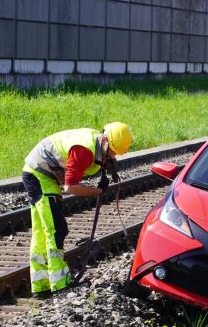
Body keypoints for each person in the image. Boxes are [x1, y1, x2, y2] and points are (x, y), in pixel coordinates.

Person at [21, 122, 133, 297]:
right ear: (104, 139)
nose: (111, 156)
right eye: (110, 151)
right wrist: (97, 191)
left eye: (114, 153)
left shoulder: (97, 145)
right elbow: (70, 187)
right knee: (56, 230)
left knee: (42, 232)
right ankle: (60, 283)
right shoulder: (83, 150)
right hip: (40, 175)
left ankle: (41, 285)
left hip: (37, 172)